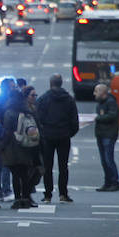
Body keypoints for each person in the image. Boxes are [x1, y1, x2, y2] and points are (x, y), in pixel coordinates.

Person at [35, 73, 79, 203]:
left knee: (47, 167)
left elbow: (38, 118)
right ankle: (63, 194)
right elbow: (74, 121)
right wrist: (68, 133)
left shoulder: (43, 99)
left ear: (51, 83)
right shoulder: (69, 99)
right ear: (61, 83)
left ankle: (48, 194)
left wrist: (43, 132)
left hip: (48, 136)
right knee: (63, 166)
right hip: (64, 136)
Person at [1, 85, 40, 209]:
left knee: (15, 174)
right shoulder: (27, 111)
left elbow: (7, 131)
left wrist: (2, 146)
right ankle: (26, 197)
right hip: (26, 145)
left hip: (13, 146)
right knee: (25, 174)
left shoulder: (9, 112)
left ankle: (18, 199)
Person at [93, 82, 119, 191]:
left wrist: (97, 118)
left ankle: (115, 182)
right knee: (104, 160)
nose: (94, 93)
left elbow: (112, 115)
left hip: (108, 135)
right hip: (101, 134)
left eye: (96, 91)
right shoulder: (100, 103)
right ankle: (108, 182)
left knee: (108, 159)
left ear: (103, 92)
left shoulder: (110, 102)